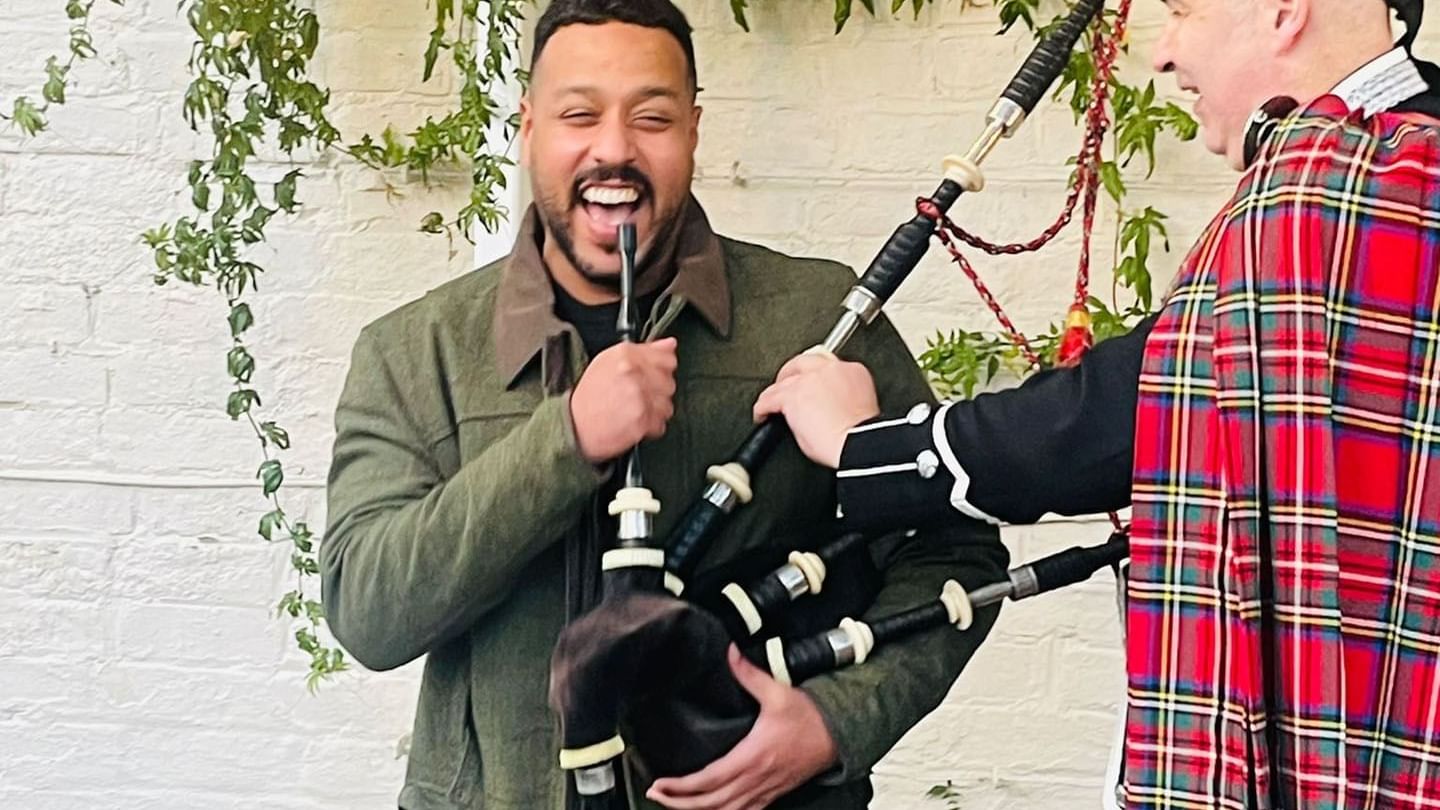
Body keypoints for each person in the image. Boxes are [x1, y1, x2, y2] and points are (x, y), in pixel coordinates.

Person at [320, 1, 1007, 809]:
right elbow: (369, 613)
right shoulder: (416, 350)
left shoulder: (817, 318)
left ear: (694, 130)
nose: (613, 149)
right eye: (579, 115)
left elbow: (952, 553)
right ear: (529, 126)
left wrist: (835, 722)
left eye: (652, 117)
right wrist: (566, 440)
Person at [755, 0, 1440, 806]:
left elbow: (1114, 415)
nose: (1163, 52)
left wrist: (861, 445)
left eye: (1183, 10)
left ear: (1284, 10)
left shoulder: (1338, 187)